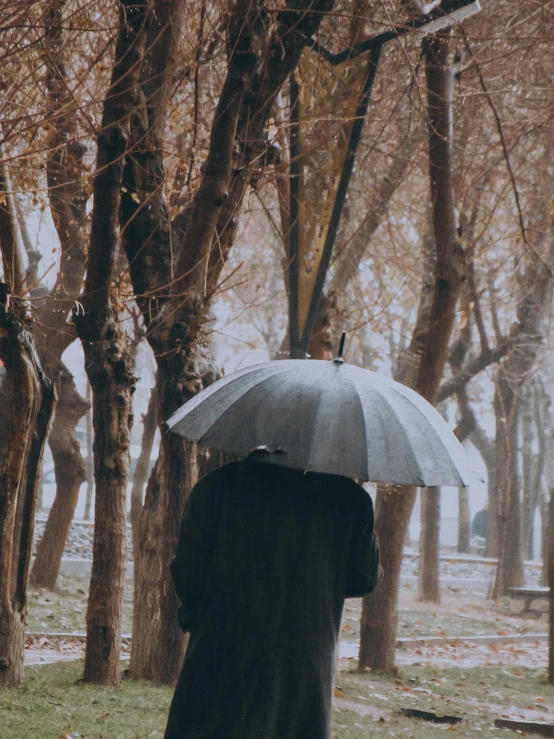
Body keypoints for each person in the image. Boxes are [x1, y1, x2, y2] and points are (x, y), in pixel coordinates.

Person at [164, 454, 383, 739]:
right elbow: (365, 577)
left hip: (220, 644)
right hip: (304, 655)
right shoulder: (350, 498)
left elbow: (188, 570)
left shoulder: (218, 485)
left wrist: (198, 615)